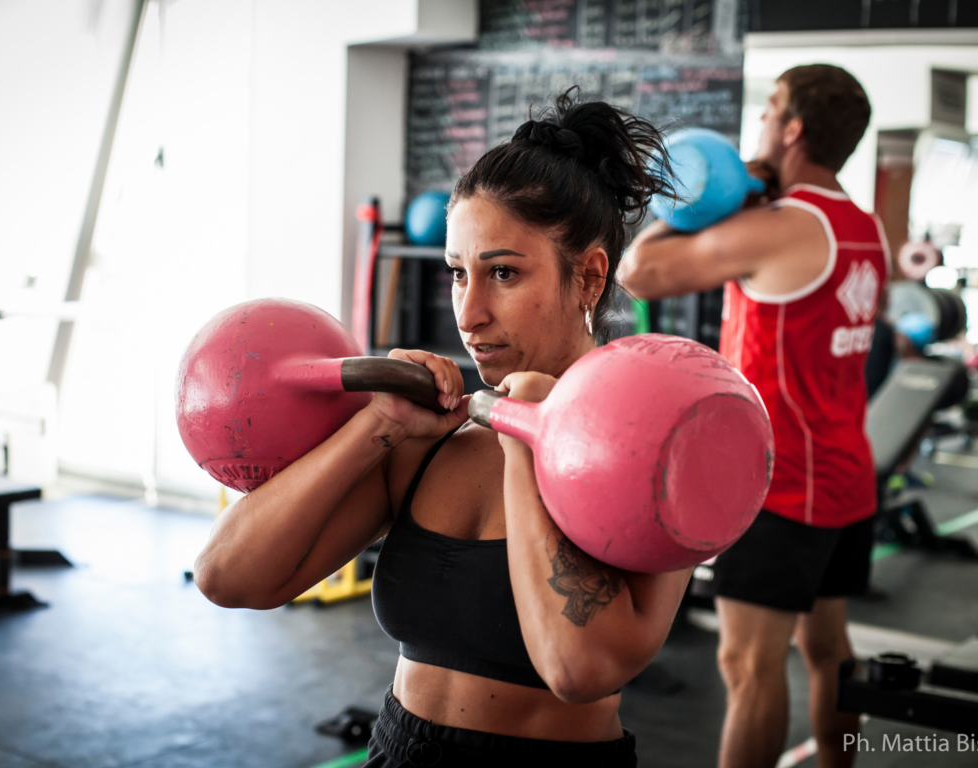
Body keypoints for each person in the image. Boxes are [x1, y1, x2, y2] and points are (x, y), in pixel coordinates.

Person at [193, 90, 692, 767]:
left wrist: (524, 435)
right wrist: (377, 427)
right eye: (458, 274)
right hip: (399, 750)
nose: (470, 313)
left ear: (591, 276)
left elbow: (579, 669)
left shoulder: (656, 447)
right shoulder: (432, 444)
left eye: (504, 274)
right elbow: (227, 577)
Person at [618, 64, 887, 768]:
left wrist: (690, 201)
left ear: (792, 128)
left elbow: (638, 272)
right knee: (829, 651)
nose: (760, 125)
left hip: (784, 486)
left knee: (746, 664)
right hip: (846, 475)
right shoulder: (866, 227)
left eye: (769, 110)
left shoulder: (782, 227)